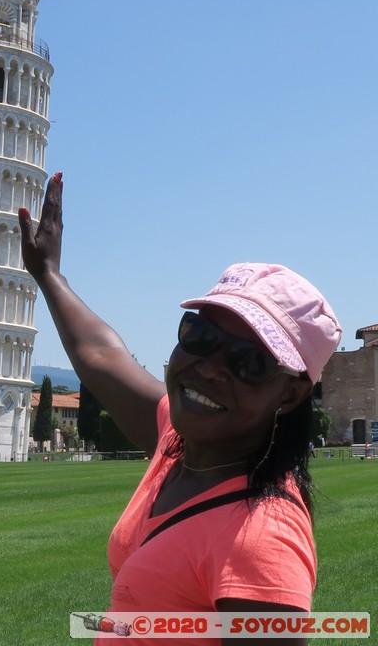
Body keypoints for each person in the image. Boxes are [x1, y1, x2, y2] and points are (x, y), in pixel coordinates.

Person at [19, 173, 340, 644]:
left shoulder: (262, 537)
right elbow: (104, 357)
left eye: (249, 361)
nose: (210, 369)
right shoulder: (182, 442)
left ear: (290, 394)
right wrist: (49, 275)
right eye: (200, 335)